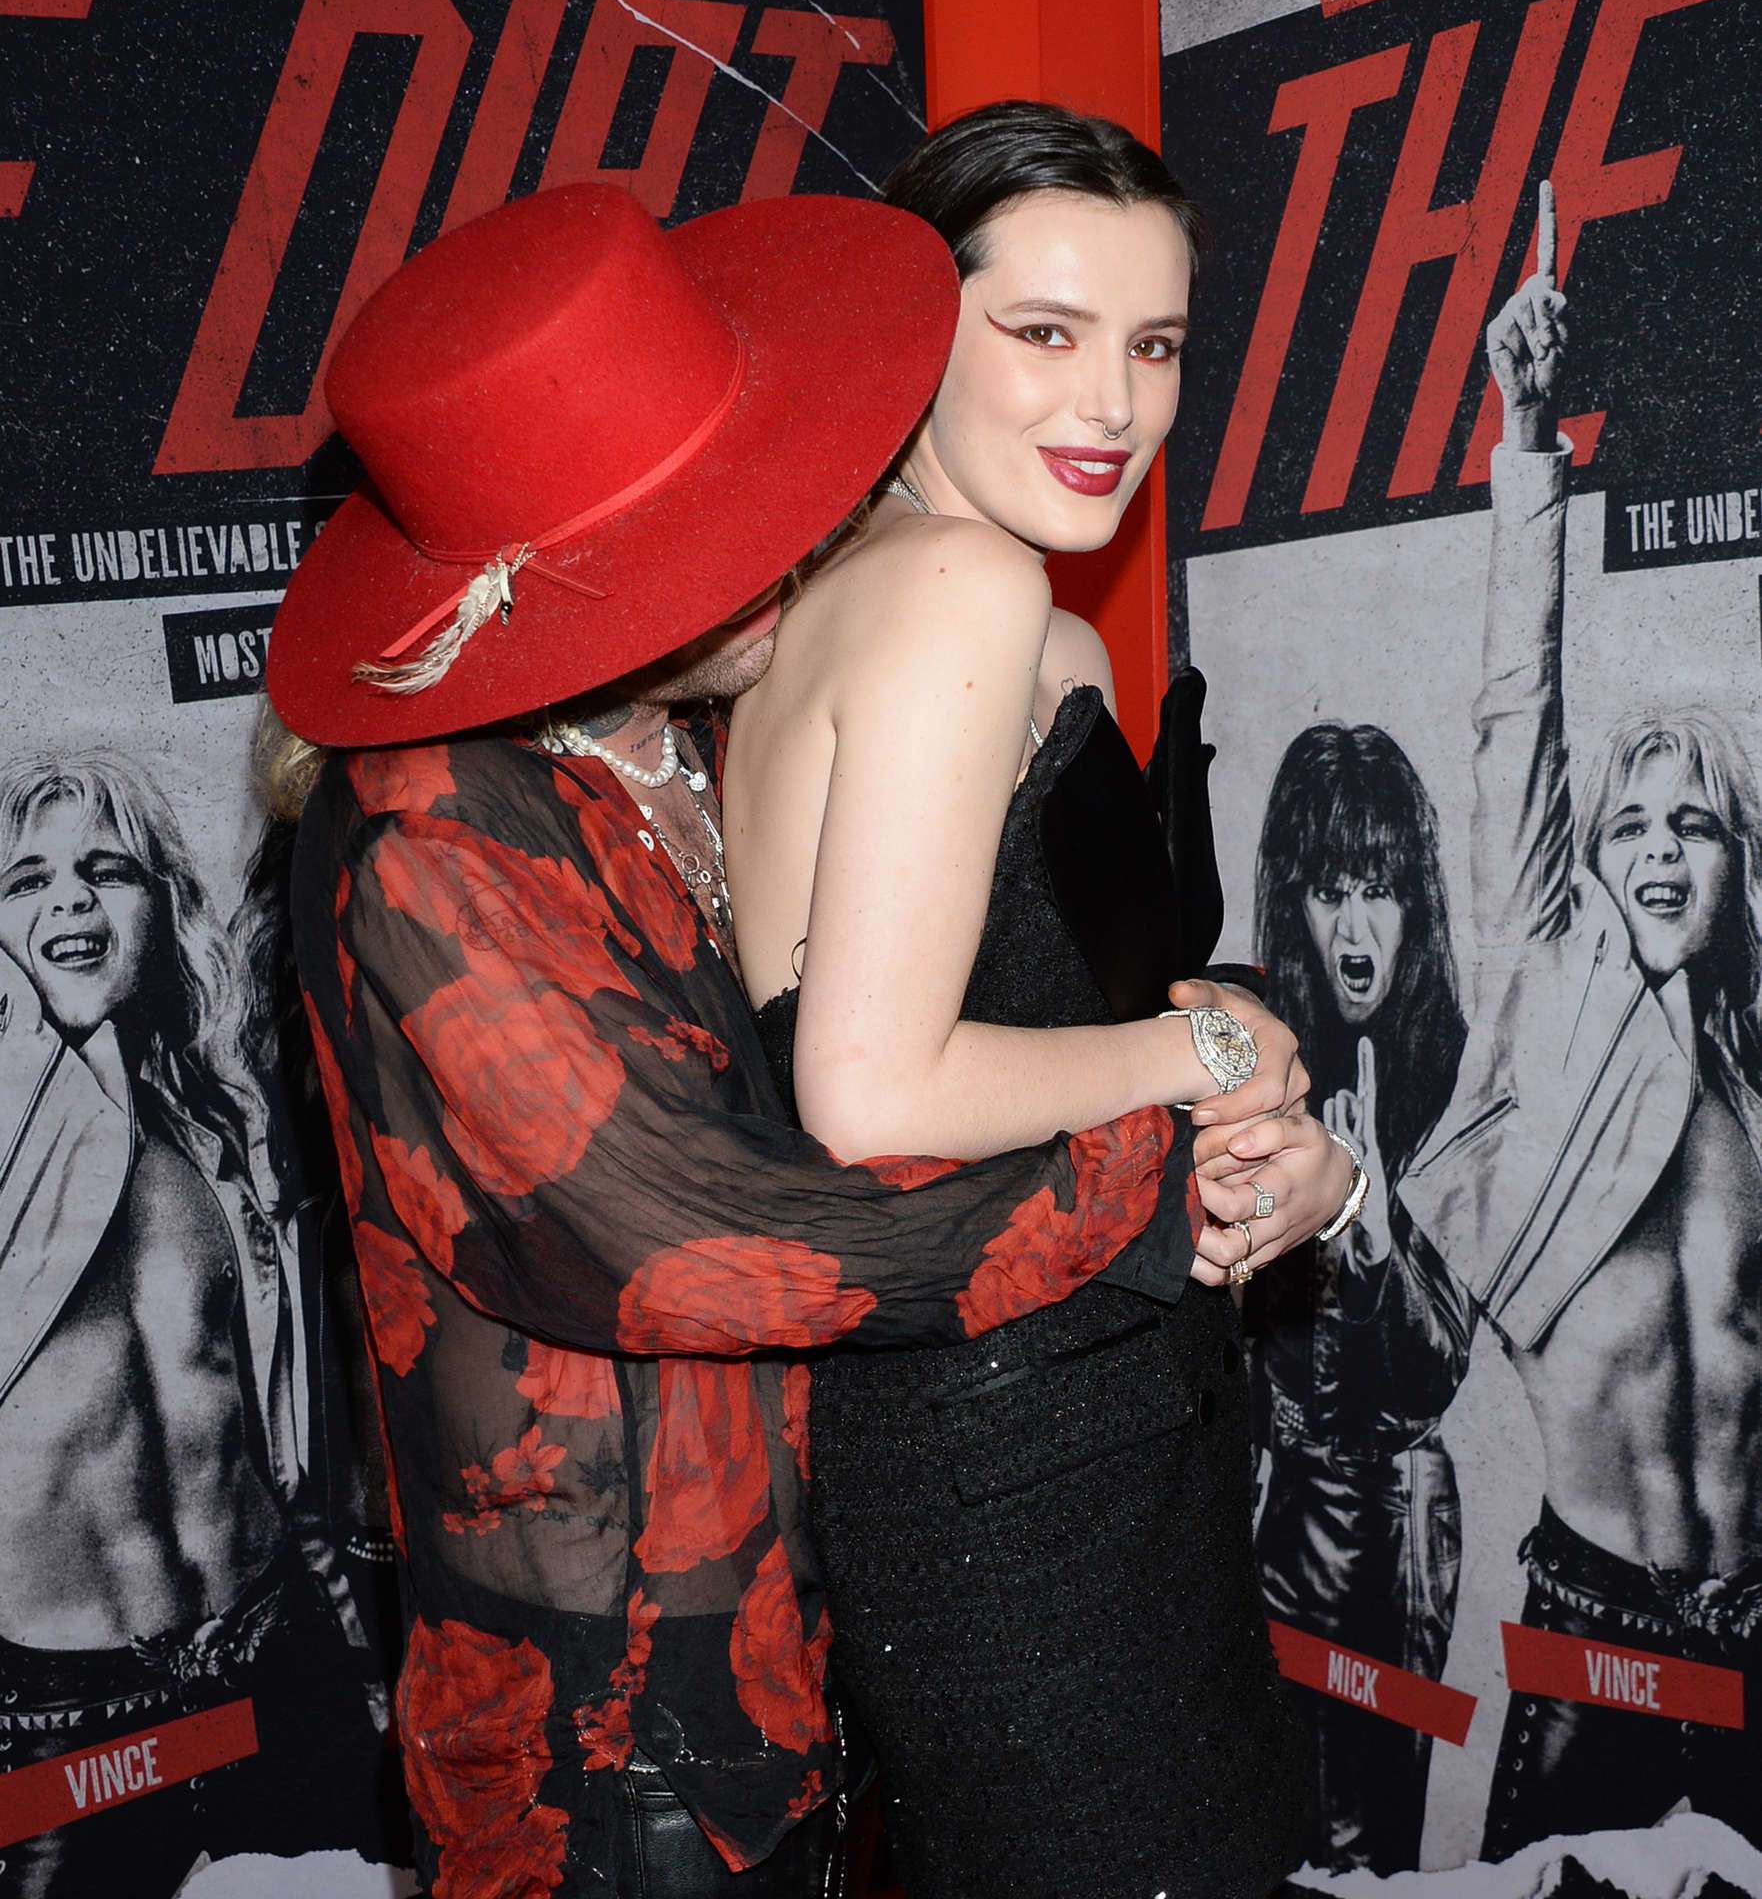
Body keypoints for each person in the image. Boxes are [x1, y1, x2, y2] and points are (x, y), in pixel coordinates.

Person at [262, 180, 1237, 1899]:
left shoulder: (665, 745)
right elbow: (678, 1234)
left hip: (796, 1658)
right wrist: (1149, 1169)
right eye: (718, 511)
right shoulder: (426, 825)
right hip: (601, 1740)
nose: (792, 521)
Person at [721, 101, 1361, 1899]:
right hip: (1017, 1484)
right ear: (913, 337)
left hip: (1085, 1443)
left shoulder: (940, 610)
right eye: (1045, 332)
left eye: (1153, 346)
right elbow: (868, 1087)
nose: (1112, 404)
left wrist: (1282, 1160)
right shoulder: (960, 588)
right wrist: (1209, 1046)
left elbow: (1058, 1030)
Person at [1398, 182, 1762, 1859]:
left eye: (1696, 826)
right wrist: (1526, 439)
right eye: (1631, 828)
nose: (1662, 851)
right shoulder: (1552, 987)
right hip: (1592, 1633)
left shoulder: (1750, 1083)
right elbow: (1512, 719)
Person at [0, 751, 381, 1896]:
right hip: (67, 1713)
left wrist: (335, 1604)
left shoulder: (215, 1123)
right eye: (27, 880)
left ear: (160, 906)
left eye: (107, 870)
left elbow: (258, 1400)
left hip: (269, 1645)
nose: (70, 898)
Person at [1248, 723, 1471, 1873]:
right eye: (1328, 888)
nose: (1352, 925)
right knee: (1270, 1833)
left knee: (1363, 1851)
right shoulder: (1264, 1055)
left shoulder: (1452, 1073)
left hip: (1389, 1523)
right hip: (1275, 1500)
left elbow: (1436, 1371)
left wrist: (1373, 1236)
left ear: (1413, 904)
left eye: (1376, 889)